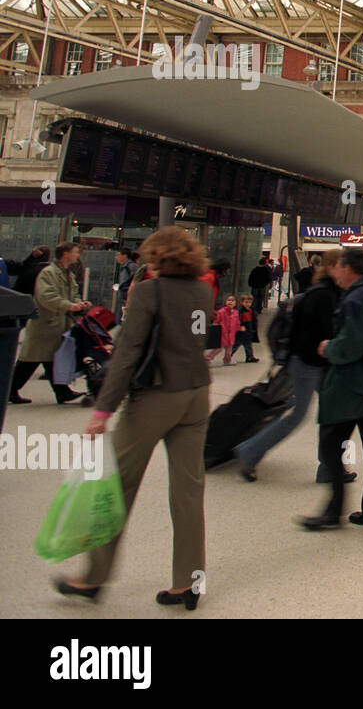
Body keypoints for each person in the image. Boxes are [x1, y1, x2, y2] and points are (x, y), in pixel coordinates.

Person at [55, 227, 213, 610]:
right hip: (195, 397)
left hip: (155, 399)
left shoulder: (148, 292)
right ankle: (189, 582)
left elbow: (127, 354)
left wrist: (103, 409)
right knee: (189, 493)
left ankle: (93, 578)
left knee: (116, 490)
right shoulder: (202, 291)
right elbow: (198, 340)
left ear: (156, 257)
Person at [300, 247, 363, 531]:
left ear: (350, 269)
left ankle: (333, 512)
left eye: (339, 268)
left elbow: (352, 346)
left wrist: (328, 347)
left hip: (354, 386)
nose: (335, 273)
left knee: (331, 446)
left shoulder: (357, 298)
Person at [236, 250, 349, 483]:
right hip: (308, 363)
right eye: (343, 266)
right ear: (332, 268)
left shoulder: (329, 293)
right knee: (297, 415)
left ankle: (328, 468)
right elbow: (322, 333)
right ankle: (249, 451)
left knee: (331, 414)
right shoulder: (324, 296)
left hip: (312, 362)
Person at [9, 241, 91, 405]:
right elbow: (47, 297)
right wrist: (69, 305)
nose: (78, 255)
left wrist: (79, 303)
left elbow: (72, 292)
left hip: (55, 325)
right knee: (30, 360)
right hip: (45, 325)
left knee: (48, 358)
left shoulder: (66, 273)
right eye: (76, 252)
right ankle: (9, 390)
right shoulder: (48, 273)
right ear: (65, 254)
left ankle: (62, 392)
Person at [205, 295, 241, 365]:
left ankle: (227, 360)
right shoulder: (221, 312)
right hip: (222, 334)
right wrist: (215, 330)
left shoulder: (236, 312)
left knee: (229, 350)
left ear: (236, 303)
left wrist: (239, 328)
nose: (230, 302)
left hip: (231, 335)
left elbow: (237, 322)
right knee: (219, 348)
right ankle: (207, 358)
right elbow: (216, 321)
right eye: (229, 300)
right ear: (225, 302)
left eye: (232, 300)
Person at [112, 247, 136, 323]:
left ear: (124, 256)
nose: (116, 257)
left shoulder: (131, 266)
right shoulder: (123, 267)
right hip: (122, 299)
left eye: (118, 255)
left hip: (127, 299)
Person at [235, 293, 259, 363]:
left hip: (248, 331)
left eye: (249, 302)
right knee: (236, 344)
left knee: (248, 345)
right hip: (241, 332)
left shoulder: (251, 310)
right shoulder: (240, 311)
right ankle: (228, 356)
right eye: (246, 302)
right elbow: (237, 319)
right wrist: (239, 326)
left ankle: (250, 357)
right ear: (242, 302)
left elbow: (253, 320)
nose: (248, 304)